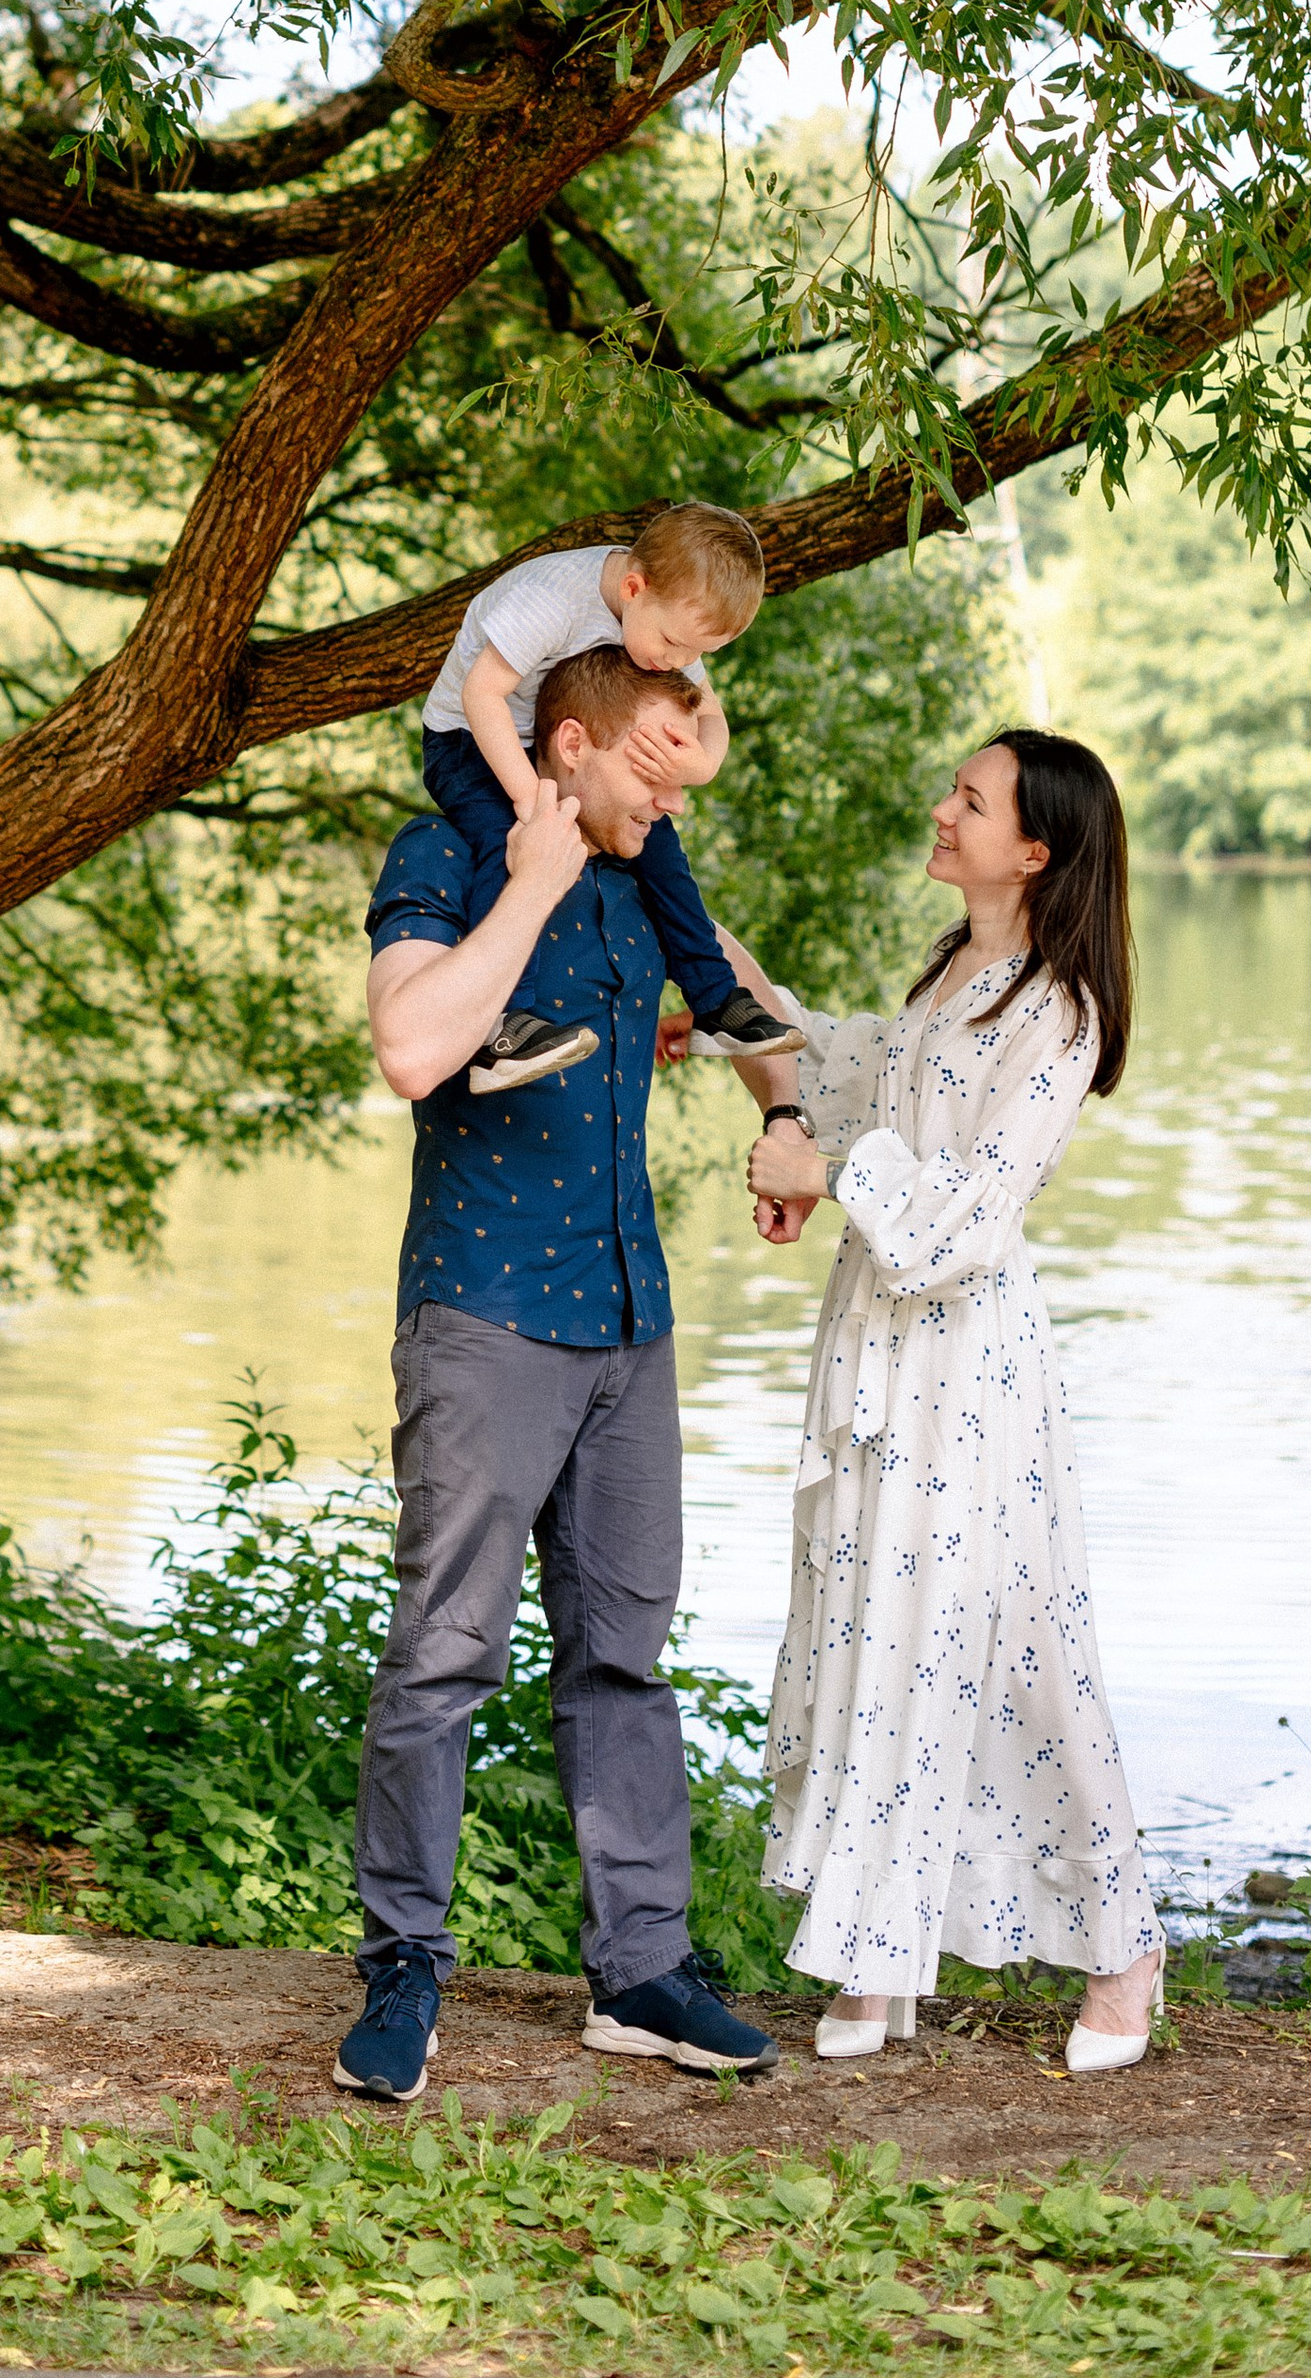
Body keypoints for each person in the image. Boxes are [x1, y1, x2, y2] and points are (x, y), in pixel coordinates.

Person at [336, 643, 786, 2107]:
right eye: (648, 765)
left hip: (627, 1318)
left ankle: (640, 1972)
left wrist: (794, 1128)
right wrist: (527, 879)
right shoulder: (452, 849)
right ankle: (403, 1964)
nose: (668, 795)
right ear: (569, 743)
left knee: (623, 1661)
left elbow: (742, 1009)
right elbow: (411, 1046)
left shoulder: (650, 875)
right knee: (443, 1653)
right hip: (484, 1317)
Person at [741, 728, 1168, 2075]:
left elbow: (961, 1225)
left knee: (1020, 1654)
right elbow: (862, 1070)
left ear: (1032, 850)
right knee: (878, 1634)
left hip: (968, 1376)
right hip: (881, 1350)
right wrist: (740, 998)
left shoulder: (1059, 1012)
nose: (941, 808)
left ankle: (1124, 1953)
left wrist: (820, 1171)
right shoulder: (957, 975)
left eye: (968, 801)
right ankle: (875, 1951)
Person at [419, 501, 808, 1091]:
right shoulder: (552, 601)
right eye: (675, 645)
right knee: (516, 850)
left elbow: (711, 717)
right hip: (468, 740)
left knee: (661, 850)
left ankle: (714, 999)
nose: (677, 664)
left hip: (550, 743)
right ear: (633, 587)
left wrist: (703, 763)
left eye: (694, 655)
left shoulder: (665, 620)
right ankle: (503, 1028)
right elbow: (481, 696)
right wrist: (534, 807)